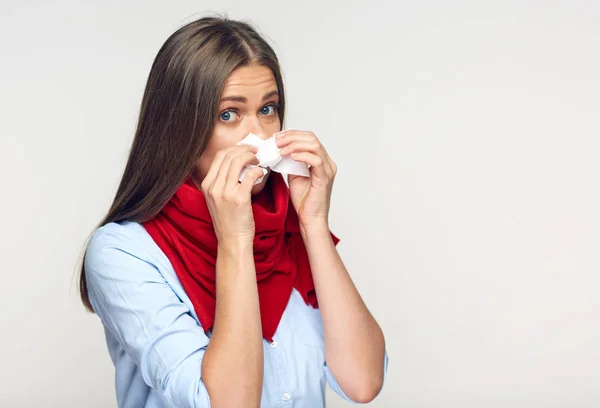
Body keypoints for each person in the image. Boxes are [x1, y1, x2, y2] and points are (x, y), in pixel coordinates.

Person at [80, 15, 389, 408]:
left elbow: (364, 382)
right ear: (180, 128)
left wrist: (313, 224)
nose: (259, 136)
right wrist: (235, 239)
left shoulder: (287, 226)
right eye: (229, 114)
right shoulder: (122, 252)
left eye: (268, 109)